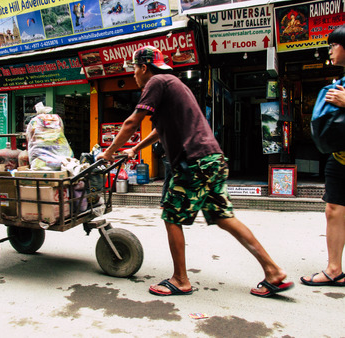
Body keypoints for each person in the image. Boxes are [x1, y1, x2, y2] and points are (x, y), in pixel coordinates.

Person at [97, 45, 293, 297]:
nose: (133, 74)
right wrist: (135, 148)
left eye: (134, 69)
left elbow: (132, 121)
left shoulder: (155, 82)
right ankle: (273, 271)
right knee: (224, 217)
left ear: (144, 67)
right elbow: (159, 129)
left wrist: (110, 150)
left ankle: (180, 279)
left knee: (171, 215)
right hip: (211, 159)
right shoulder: (173, 83)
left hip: (193, 161)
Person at [300, 25, 345, 287]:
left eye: (333, 45)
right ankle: (334, 269)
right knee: (333, 210)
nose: (329, 50)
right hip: (339, 158)